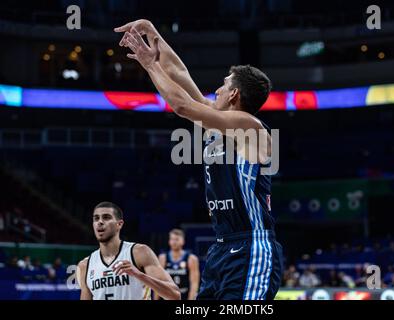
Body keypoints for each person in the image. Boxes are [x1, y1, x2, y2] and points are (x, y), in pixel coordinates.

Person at [115, 19, 283, 300]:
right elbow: (181, 74)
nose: (216, 90)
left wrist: (150, 65)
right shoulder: (219, 123)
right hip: (222, 247)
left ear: (234, 94)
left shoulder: (249, 126)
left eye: (223, 84)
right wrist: (154, 34)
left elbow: (181, 106)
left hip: (251, 246)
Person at [76, 201, 180, 300]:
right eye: (96, 218)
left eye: (106, 217)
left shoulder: (140, 253)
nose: (100, 222)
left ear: (119, 224)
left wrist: (139, 275)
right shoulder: (85, 265)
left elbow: (175, 295)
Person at [156, 228, 200, 300]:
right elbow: (158, 281)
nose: (174, 242)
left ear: (183, 241)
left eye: (177, 239)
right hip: (167, 295)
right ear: (169, 241)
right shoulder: (162, 258)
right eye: (172, 239)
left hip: (184, 295)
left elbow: (194, 284)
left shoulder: (191, 258)